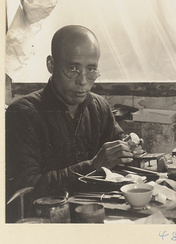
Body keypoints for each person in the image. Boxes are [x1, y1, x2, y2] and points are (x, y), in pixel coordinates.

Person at [6, 25, 133, 221]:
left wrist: (128, 148)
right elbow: (25, 187)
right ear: (51, 65)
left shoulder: (98, 105)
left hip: (95, 209)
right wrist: (93, 165)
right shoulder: (23, 114)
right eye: (72, 69)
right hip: (45, 221)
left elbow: (117, 144)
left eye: (91, 69)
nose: (82, 81)